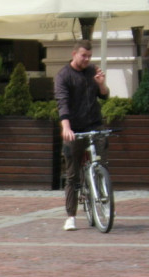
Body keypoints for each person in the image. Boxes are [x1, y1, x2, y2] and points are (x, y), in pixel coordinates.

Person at [55, 39, 109, 231]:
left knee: (101, 160)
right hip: (75, 127)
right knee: (72, 175)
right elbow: (62, 103)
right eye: (83, 55)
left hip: (94, 123)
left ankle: (102, 191)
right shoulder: (64, 76)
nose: (86, 59)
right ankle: (71, 216)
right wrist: (66, 128)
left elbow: (104, 95)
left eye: (89, 56)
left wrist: (102, 85)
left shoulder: (93, 70)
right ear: (74, 54)